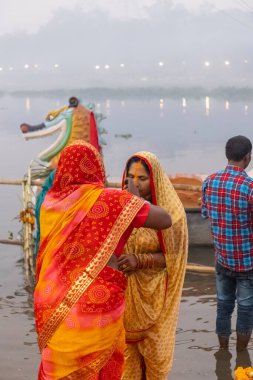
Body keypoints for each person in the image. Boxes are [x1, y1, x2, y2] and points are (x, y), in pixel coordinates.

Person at [34, 141, 172, 380]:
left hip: (51, 299)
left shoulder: (49, 204)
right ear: (96, 168)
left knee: (59, 367)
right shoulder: (110, 200)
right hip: (95, 305)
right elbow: (165, 219)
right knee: (97, 370)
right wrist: (136, 198)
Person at [118, 152, 188, 379]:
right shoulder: (119, 207)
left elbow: (174, 258)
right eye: (130, 177)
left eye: (142, 178)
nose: (134, 184)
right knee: (125, 363)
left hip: (157, 297)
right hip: (126, 298)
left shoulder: (172, 214)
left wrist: (139, 261)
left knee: (156, 362)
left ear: (155, 178)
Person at [201, 135, 253, 351]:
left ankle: (223, 352)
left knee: (223, 307)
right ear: (247, 157)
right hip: (247, 263)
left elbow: (205, 213)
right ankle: (242, 357)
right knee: (245, 309)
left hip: (222, 260)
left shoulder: (209, 181)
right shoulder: (249, 187)